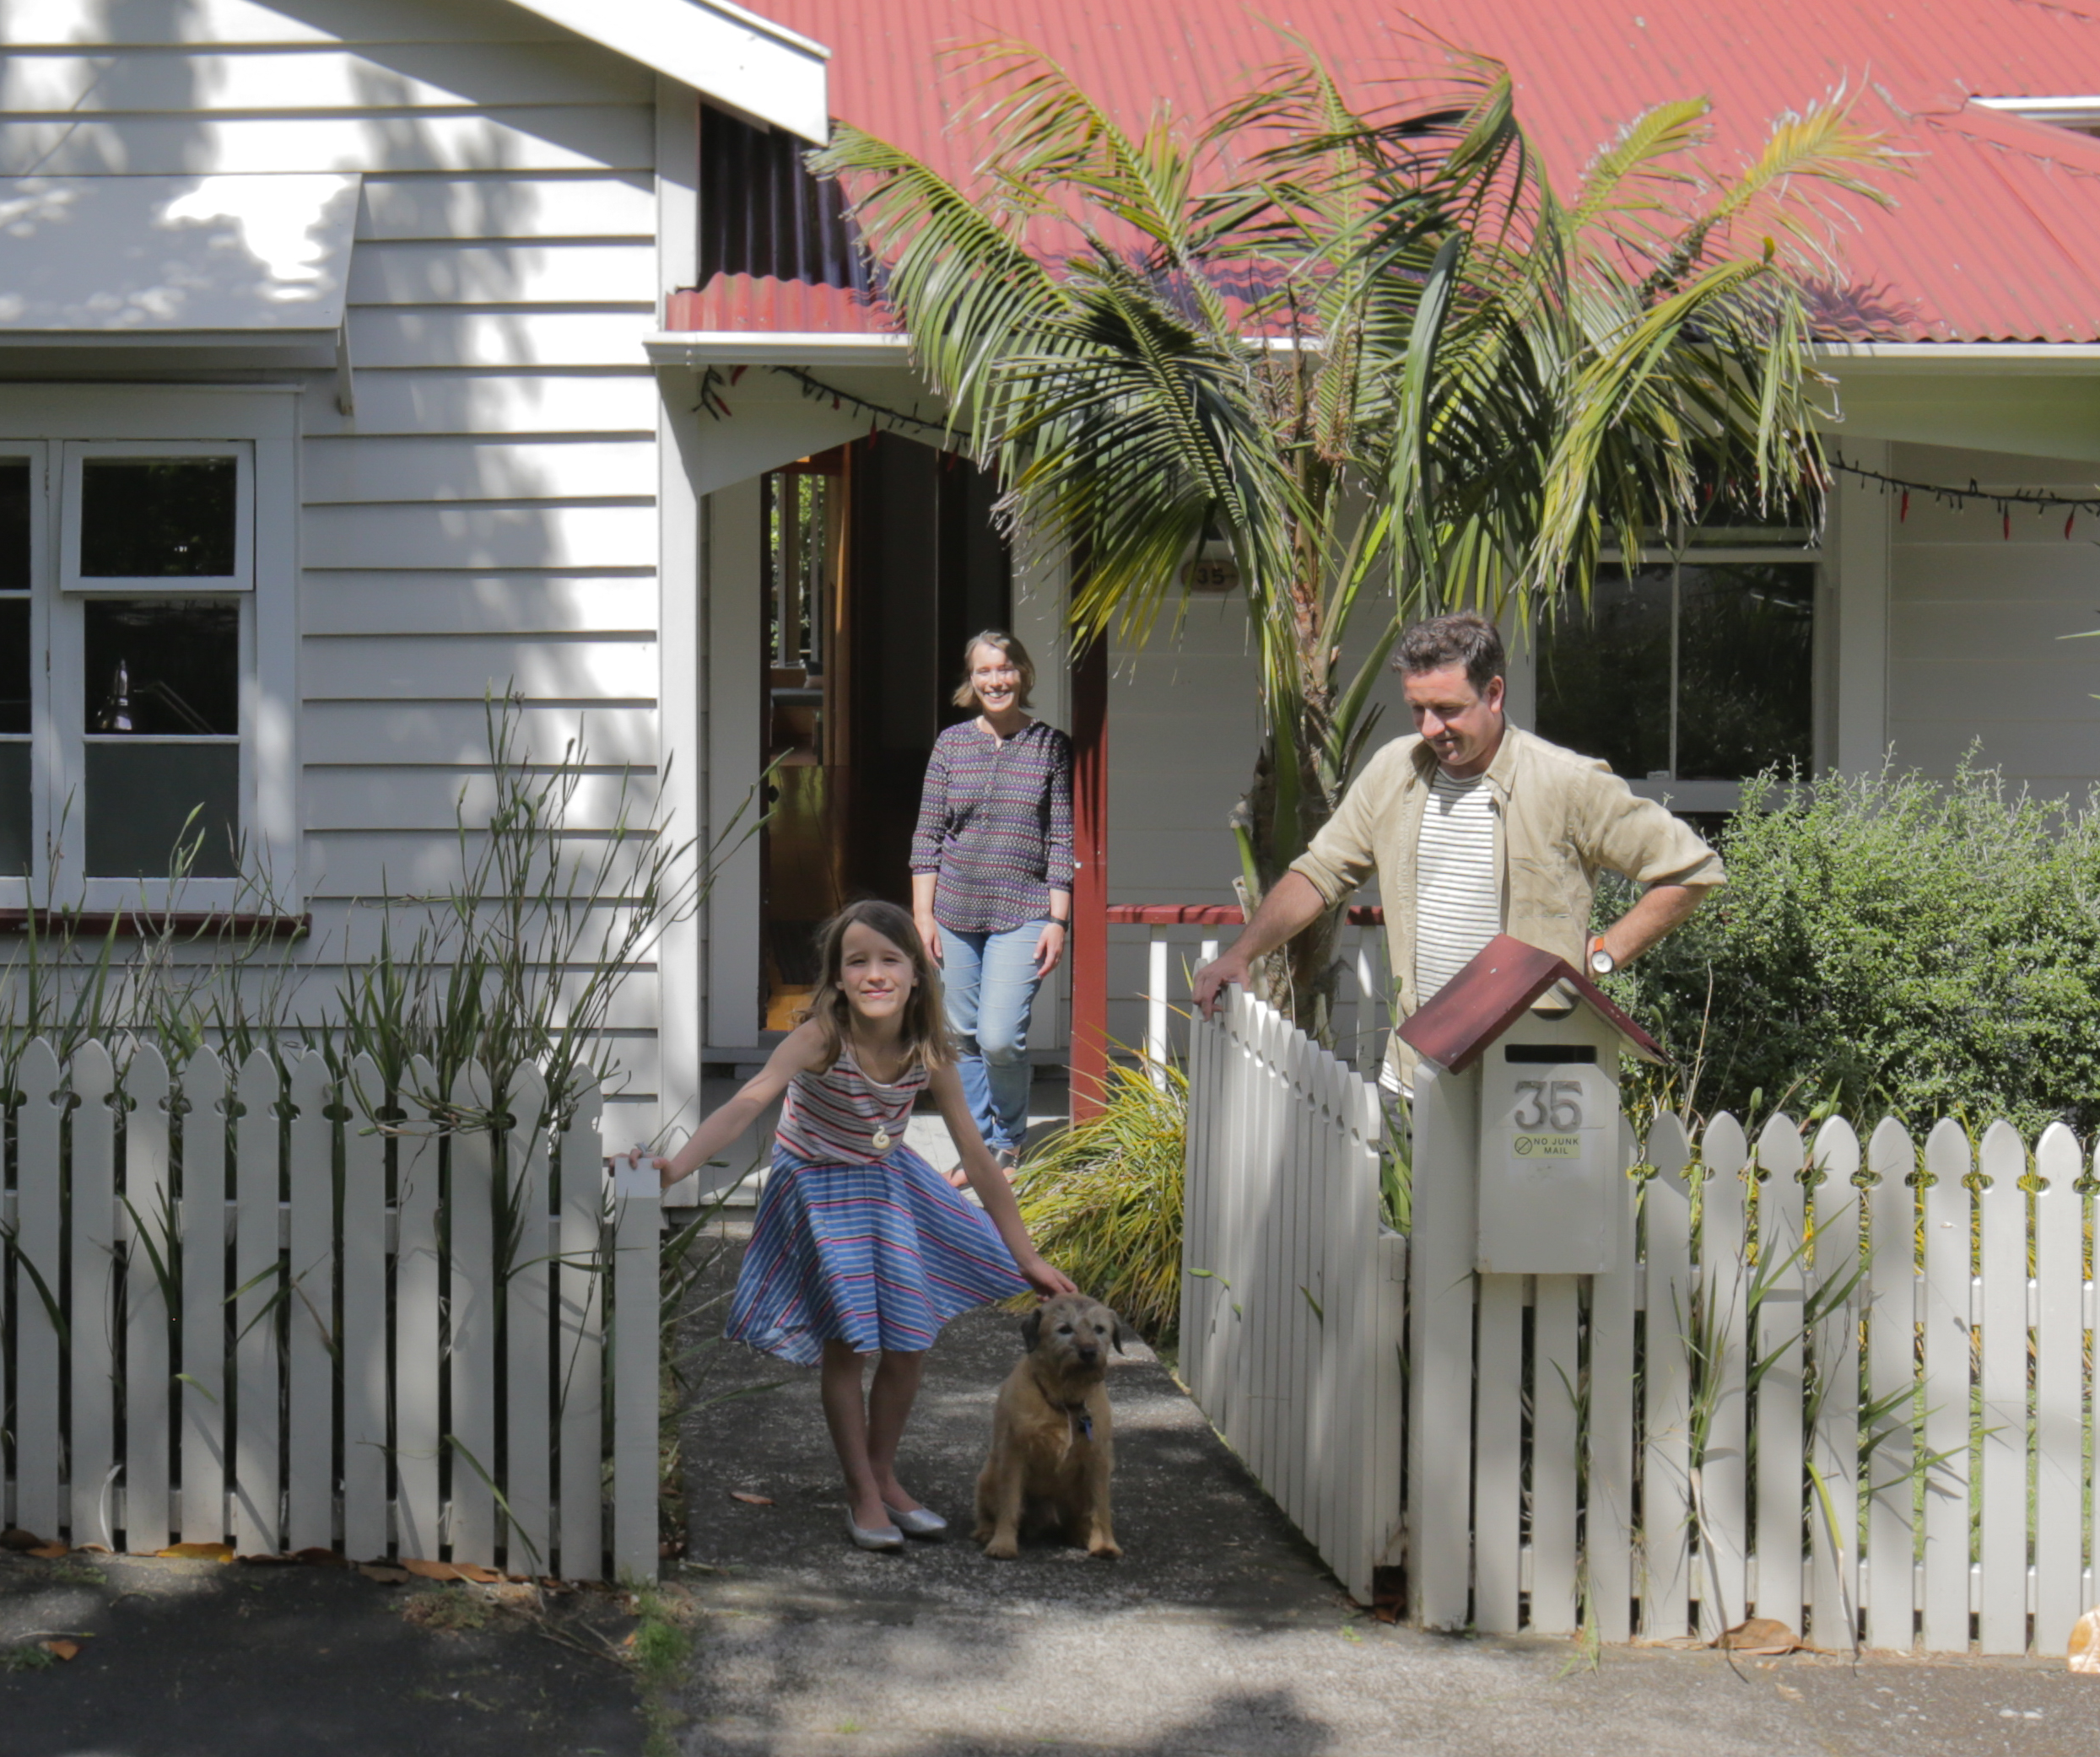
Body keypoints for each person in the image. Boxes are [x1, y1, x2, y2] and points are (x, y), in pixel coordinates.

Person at [630, 900, 1077, 1551]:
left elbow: (978, 1156)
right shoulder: (821, 1037)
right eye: (857, 961)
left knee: (910, 1339)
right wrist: (677, 1166)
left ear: (916, 973)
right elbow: (749, 1101)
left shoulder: (929, 1047)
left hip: (885, 1179)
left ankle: (884, 1474)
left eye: (890, 959)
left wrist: (1027, 1256)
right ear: (837, 978)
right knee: (848, 1342)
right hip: (817, 1187)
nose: (874, 973)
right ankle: (862, 1489)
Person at [1190, 611, 1721, 1049]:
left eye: (1447, 709)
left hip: (1529, 1056)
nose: (1430, 728)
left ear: (1494, 693)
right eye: (1417, 709)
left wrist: (1602, 954)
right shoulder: (1394, 769)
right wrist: (1243, 952)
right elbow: (1320, 872)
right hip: (1420, 1054)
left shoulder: (1567, 782)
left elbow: (1691, 870)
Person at [906, 628, 1074, 1167]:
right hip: (954, 912)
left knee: (999, 1037)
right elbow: (928, 835)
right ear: (972, 679)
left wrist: (1058, 920)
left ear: (1022, 674)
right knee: (960, 1035)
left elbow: (1062, 838)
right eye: (985, 670)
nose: (996, 680)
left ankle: (1008, 1138)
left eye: (1005, 668)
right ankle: (976, 1145)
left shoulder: (1051, 746)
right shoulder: (951, 744)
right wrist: (923, 915)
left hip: (1024, 911)